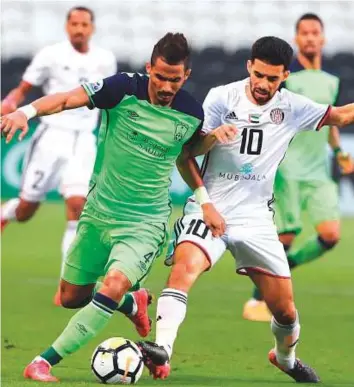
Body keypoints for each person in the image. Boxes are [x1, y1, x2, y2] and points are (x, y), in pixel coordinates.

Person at [1, 32, 226, 383]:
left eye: (175, 79)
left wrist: (205, 201)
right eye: (161, 77)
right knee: (72, 296)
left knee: (113, 283)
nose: (166, 86)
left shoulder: (190, 112)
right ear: (150, 68)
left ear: (186, 76)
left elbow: (184, 155)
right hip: (99, 213)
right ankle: (132, 304)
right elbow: (66, 100)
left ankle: (43, 361)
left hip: (145, 223)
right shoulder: (122, 89)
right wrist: (26, 111)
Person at [137, 36, 354, 383]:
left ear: (285, 75)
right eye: (259, 75)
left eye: (273, 78)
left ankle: (285, 358)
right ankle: (163, 348)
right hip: (210, 207)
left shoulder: (294, 107)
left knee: (285, 310)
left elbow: (341, 116)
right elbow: (187, 153)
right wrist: (212, 140)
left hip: (255, 218)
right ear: (249, 67)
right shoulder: (222, 97)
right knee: (184, 268)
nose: (264, 84)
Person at [0, 6, 117, 305]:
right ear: (67, 27)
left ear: (92, 28)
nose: (79, 29)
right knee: (27, 210)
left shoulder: (105, 59)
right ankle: (6, 213)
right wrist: (11, 103)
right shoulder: (50, 55)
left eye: (84, 24)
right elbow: (23, 89)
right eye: (74, 24)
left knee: (77, 207)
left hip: (83, 141)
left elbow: (111, 100)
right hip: (51, 137)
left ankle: (66, 284)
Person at [243, 13, 354, 322]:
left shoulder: (331, 81)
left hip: (318, 170)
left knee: (330, 235)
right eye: (303, 32)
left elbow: (329, 120)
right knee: (286, 237)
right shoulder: (286, 79)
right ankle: (257, 300)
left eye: (314, 32)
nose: (309, 37)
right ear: (297, 38)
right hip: (289, 166)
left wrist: (339, 152)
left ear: (323, 38)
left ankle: (285, 268)